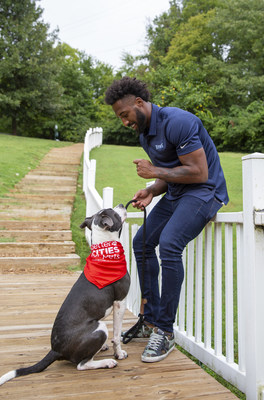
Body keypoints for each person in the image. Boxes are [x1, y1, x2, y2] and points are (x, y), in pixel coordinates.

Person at [104, 77, 229, 363]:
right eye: (119, 118)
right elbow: (172, 172)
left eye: (124, 115)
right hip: (176, 194)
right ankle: (150, 320)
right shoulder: (144, 134)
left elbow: (198, 172)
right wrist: (152, 189)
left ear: (139, 103)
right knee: (142, 242)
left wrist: (154, 173)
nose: (124, 122)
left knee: (170, 244)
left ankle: (165, 329)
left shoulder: (177, 122)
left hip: (205, 192)